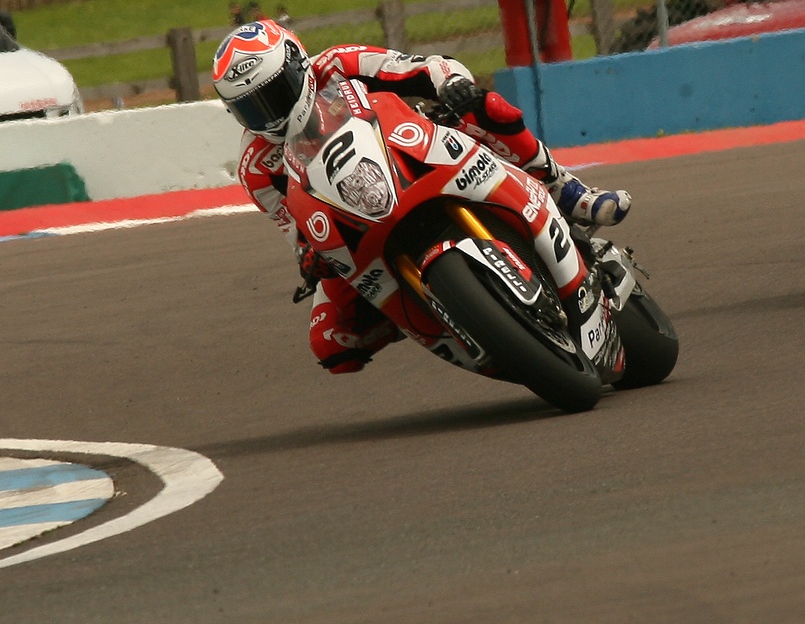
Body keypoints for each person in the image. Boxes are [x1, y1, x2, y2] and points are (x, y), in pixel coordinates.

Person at [210, 19, 631, 375]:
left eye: (275, 93)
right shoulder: (255, 167)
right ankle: (432, 312)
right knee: (331, 344)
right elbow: (294, 228)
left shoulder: (340, 63)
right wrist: (307, 255)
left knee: (486, 107)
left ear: (299, 65)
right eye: (252, 108)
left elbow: (423, 67)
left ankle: (565, 189)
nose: (270, 114)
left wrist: (453, 84)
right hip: (353, 221)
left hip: (414, 152)